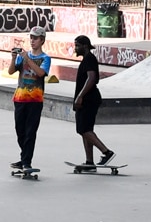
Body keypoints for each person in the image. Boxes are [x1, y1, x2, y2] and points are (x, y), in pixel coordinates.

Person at [7, 28, 57, 175]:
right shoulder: (22, 56)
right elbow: (11, 71)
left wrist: (28, 59)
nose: (33, 41)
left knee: (30, 131)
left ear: (42, 40)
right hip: (20, 97)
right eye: (31, 38)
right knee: (20, 129)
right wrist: (13, 58)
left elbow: (41, 73)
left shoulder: (45, 58)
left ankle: (26, 160)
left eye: (36, 38)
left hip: (35, 99)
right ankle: (24, 157)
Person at [69, 34, 116, 170]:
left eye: (77, 45)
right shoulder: (87, 59)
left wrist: (80, 96)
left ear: (84, 46)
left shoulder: (89, 59)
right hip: (87, 99)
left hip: (89, 99)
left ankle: (106, 152)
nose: (75, 48)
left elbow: (91, 78)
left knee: (84, 129)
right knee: (86, 130)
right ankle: (89, 162)